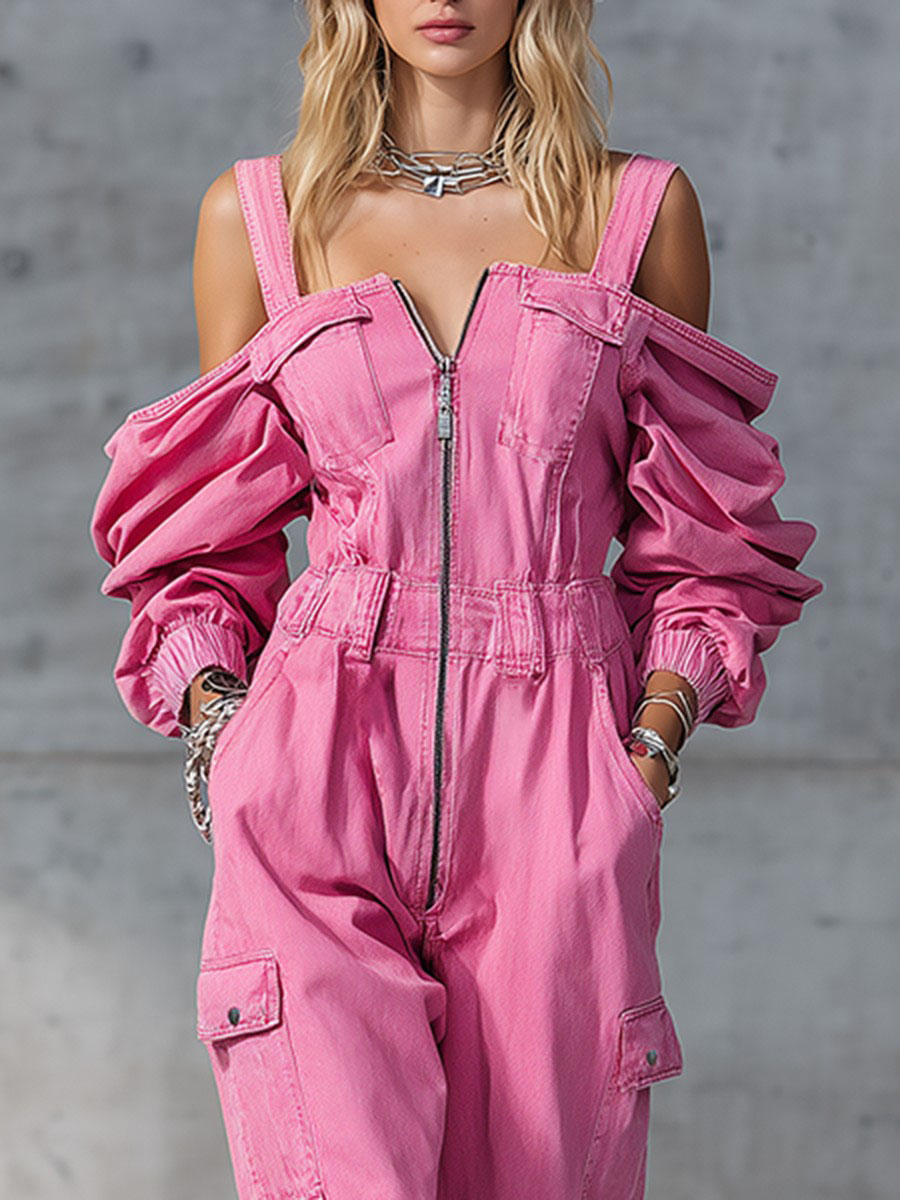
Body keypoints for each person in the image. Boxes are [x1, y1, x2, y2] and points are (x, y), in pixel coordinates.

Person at [89, 0, 824, 1196]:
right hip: (317, 767)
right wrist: (228, 732)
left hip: (555, 774)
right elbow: (197, 533)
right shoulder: (263, 217)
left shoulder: (635, 214)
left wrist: (651, 742)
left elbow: (705, 535)